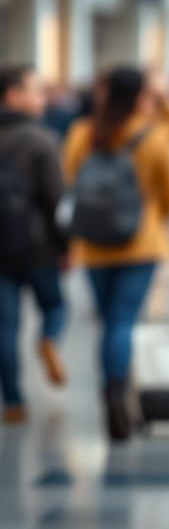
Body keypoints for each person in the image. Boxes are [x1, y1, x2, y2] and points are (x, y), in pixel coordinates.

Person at [63, 67, 169, 440]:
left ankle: (111, 392)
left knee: (108, 323)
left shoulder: (83, 133)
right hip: (140, 244)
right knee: (123, 321)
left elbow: (70, 180)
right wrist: (150, 219)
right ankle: (119, 392)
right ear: (140, 95)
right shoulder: (153, 135)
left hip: (93, 246)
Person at [0, 65, 69, 423]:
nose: (42, 98)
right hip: (37, 246)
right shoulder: (41, 139)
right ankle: (48, 339)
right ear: (12, 94)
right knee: (55, 307)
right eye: (35, 90)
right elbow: (57, 201)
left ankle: (13, 402)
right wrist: (65, 246)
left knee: (5, 327)